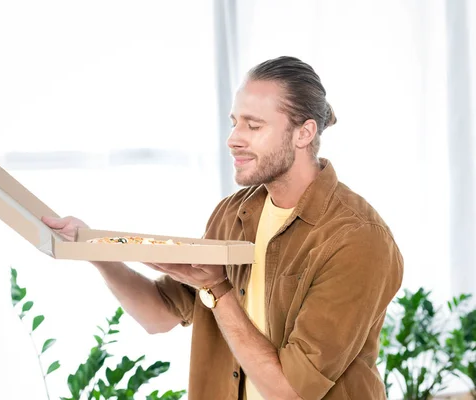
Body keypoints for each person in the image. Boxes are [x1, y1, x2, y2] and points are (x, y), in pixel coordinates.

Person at [42, 56, 403, 400]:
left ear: (304, 132)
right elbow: (159, 315)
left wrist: (218, 287)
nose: (234, 138)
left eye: (253, 125)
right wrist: (97, 252)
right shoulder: (233, 214)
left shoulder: (357, 238)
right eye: (234, 122)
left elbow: (292, 391)